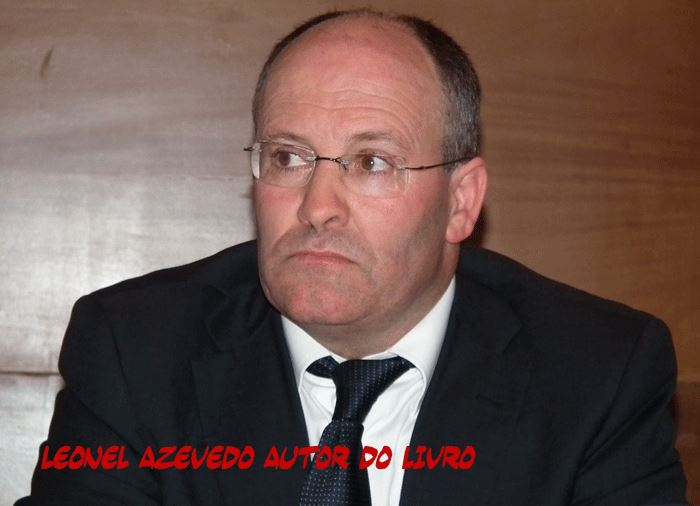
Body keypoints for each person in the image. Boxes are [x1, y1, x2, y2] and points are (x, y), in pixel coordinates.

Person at [18, 9, 687, 506]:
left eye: (372, 162)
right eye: (289, 157)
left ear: (460, 202)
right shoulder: (135, 350)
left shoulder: (598, 373)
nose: (318, 206)